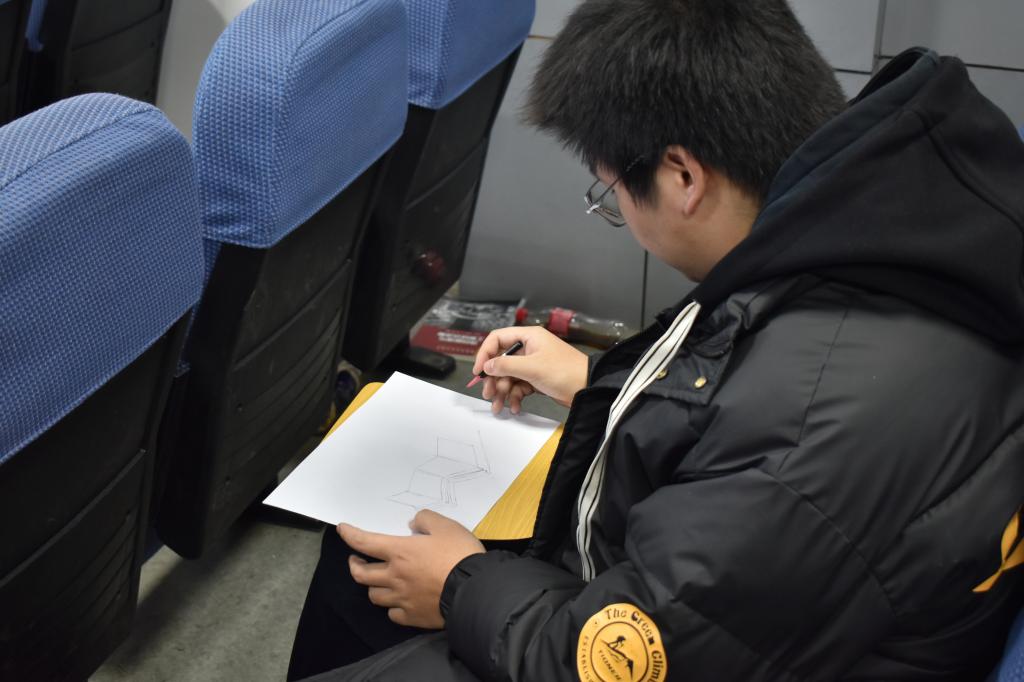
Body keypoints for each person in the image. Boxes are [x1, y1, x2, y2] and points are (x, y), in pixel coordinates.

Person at [287, 0, 1024, 679]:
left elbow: (620, 661)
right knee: (362, 562)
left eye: (609, 195)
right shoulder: (875, 226)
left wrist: (459, 586)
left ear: (682, 176)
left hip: (682, 647)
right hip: (760, 610)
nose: (622, 218)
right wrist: (601, 385)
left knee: (378, 575)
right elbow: (743, 407)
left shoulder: (808, 435)